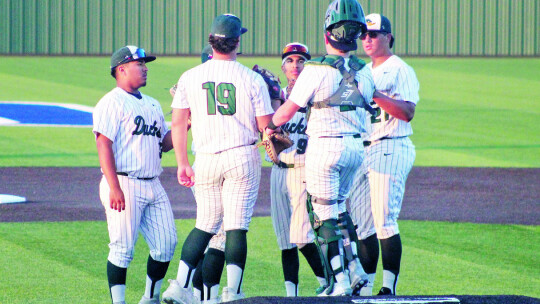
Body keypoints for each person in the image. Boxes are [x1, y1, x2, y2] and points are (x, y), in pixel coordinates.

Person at [162, 14, 274, 304]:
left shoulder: (190, 76)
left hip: (206, 158)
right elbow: (266, 125)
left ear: (211, 41)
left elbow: (177, 123)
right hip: (242, 156)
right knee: (236, 226)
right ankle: (233, 292)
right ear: (237, 42)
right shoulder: (252, 78)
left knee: (204, 224)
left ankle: (180, 285)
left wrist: (183, 162)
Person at [265, 0, 373, 296]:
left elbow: (287, 111)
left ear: (328, 35)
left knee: (322, 215)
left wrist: (269, 125)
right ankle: (355, 270)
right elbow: (360, 99)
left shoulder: (314, 71)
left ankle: (339, 281)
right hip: (355, 149)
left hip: (324, 148)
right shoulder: (365, 71)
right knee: (339, 209)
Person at [93, 45, 178, 304]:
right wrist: (114, 186)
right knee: (122, 249)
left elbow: (163, 143)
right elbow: (103, 144)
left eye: (145, 63)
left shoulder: (152, 103)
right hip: (123, 182)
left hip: (153, 183)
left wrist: (185, 122)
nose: (145, 67)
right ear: (121, 69)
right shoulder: (111, 102)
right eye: (139, 63)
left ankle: (149, 299)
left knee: (166, 244)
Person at [349, 13, 420, 296]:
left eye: (373, 34)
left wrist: (374, 93)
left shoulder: (400, 70)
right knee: (363, 225)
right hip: (363, 150)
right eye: (363, 35)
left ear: (388, 37)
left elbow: (407, 112)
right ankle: (366, 288)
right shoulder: (362, 70)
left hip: (391, 144)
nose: (367, 39)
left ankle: (389, 288)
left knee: (384, 220)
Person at [269, 42, 327, 297]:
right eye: (291, 61)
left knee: (301, 235)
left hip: (303, 170)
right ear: (283, 67)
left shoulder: (317, 97)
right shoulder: (275, 96)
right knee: (285, 239)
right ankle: (290, 294)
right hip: (277, 170)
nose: (295, 65)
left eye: (301, 61)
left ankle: (327, 280)